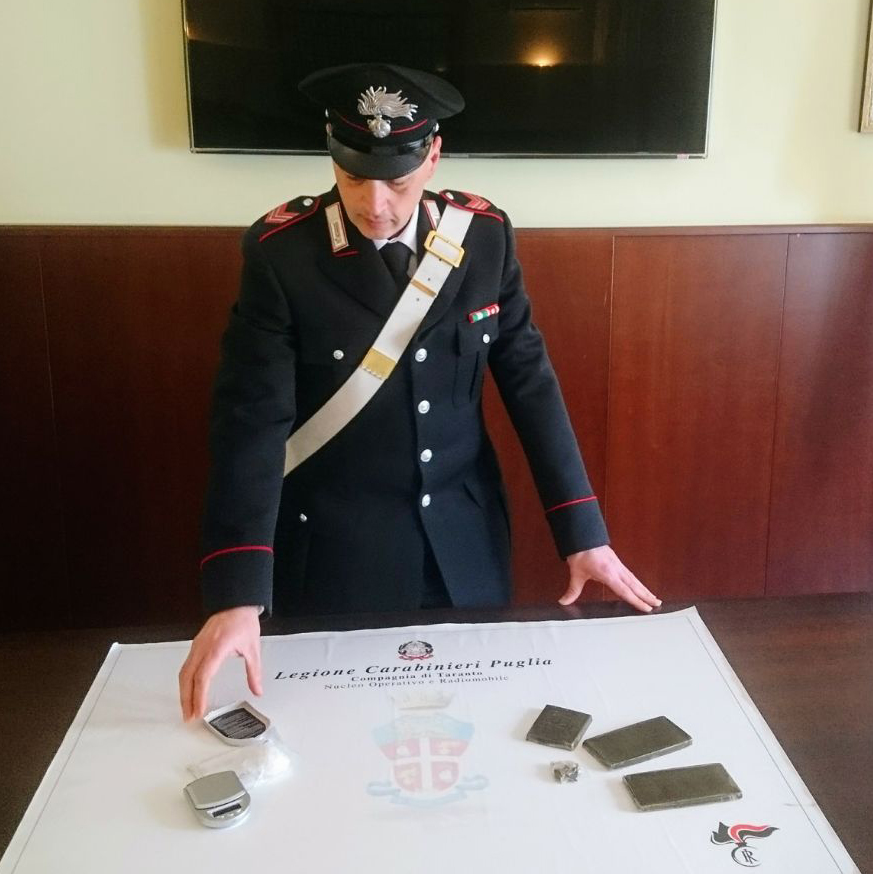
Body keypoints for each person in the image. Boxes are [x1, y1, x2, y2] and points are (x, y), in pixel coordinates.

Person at [179, 64, 659, 720]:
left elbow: (530, 383)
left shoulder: (482, 237)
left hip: (466, 543)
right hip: (337, 554)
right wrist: (236, 592)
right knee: (345, 735)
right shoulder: (282, 254)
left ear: (432, 157)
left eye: (397, 182)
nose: (374, 204)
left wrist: (583, 534)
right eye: (353, 177)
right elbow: (251, 422)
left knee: (477, 729)